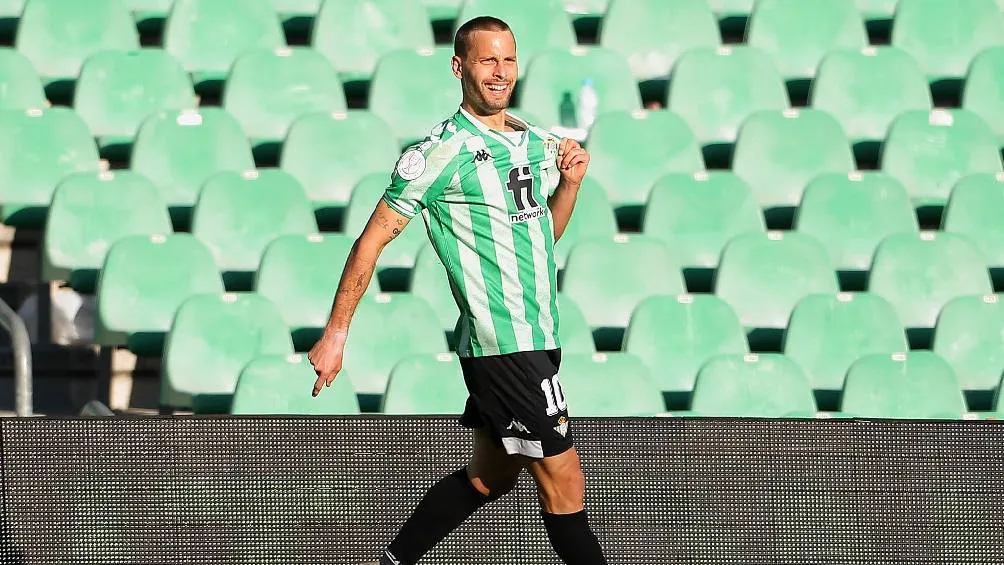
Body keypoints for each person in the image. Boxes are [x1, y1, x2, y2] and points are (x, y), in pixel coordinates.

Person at [306, 15, 608, 565]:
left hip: (537, 337)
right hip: (504, 346)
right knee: (565, 487)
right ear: (459, 66)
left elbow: (542, 238)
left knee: (488, 478)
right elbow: (370, 242)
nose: (500, 72)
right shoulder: (440, 153)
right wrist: (336, 333)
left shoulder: (533, 140)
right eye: (487, 60)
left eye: (509, 59)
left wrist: (569, 184)